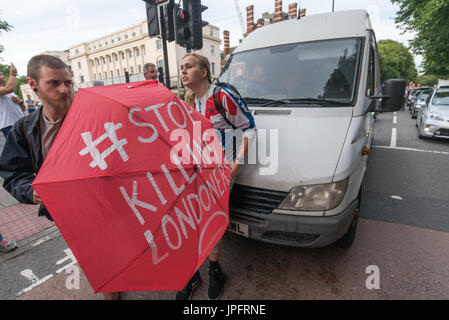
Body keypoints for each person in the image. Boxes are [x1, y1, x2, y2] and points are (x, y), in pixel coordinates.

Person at [0, 55, 119, 300]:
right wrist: (30, 190)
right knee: (91, 258)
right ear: (33, 84)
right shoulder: (24, 129)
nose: (64, 89)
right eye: (54, 83)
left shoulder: (94, 117)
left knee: (110, 253)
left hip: (104, 204)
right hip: (66, 213)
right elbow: (13, 173)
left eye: (69, 82)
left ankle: (114, 289)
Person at [179, 53, 256, 300]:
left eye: (188, 66)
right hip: (196, 171)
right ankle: (192, 272)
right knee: (189, 220)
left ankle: (214, 270)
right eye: (181, 67)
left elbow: (250, 129)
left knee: (210, 221)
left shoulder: (221, 96)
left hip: (220, 172)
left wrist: (235, 167)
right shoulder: (188, 101)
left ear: (203, 72)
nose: (183, 71)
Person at [0, 65, 25, 138]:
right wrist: (13, 74)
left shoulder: (10, 93)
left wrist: (20, 102)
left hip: (20, 122)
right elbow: (10, 88)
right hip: (8, 124)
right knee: (17, 149)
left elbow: (23, 109)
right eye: (0, 74)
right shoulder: (8, 90)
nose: (3, 75)